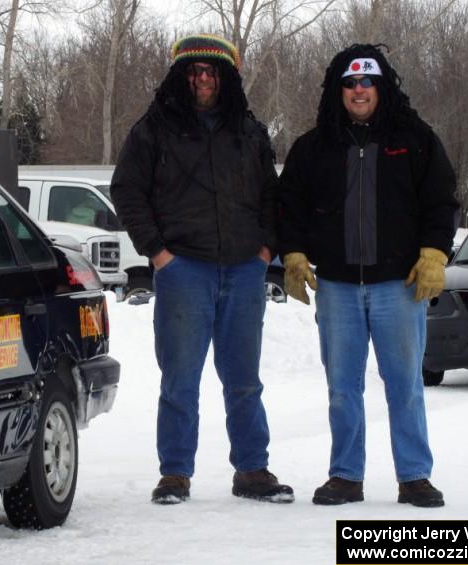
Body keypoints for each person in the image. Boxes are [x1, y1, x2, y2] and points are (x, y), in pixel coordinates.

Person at [110, 33, 293, 505]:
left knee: (244, 378)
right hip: (183, 268)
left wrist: (266, 250)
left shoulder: (249, 132)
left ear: (225, 76)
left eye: (212, 71)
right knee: (179, 377)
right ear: (181, 75)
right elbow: (127, 190)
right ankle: (175, 473)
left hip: (243, 269)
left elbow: (271, 196)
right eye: (195, 71)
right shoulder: (153, 130)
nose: (204, 79)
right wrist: (158, 253)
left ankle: (252, 470)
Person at [278, 44, 459, 507]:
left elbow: (441, 201)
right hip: (337, 286)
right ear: (338, 90)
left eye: (367, 82)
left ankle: (415, 476)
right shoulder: (313, 147)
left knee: (405, 386)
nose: (359, 91)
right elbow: (289, 206)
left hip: (399, 287)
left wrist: (435, 253)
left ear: (381, 87)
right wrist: (294, 252)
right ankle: (345, 476)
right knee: (342, 388)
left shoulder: (415, 140)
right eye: (350, 83)